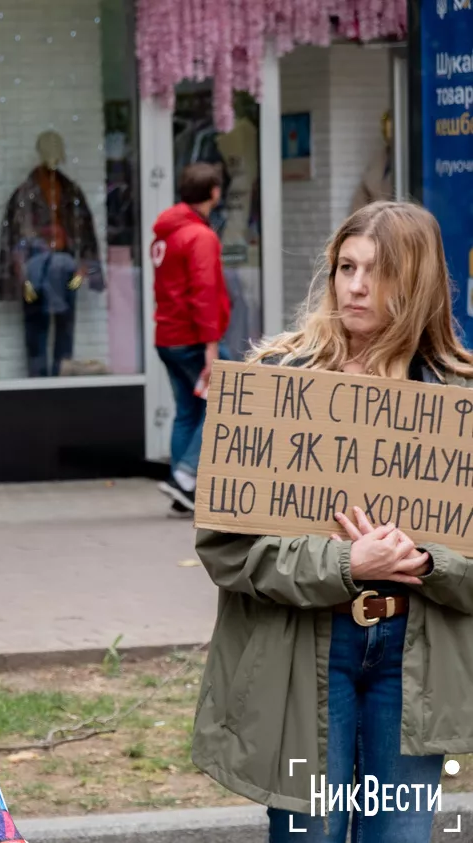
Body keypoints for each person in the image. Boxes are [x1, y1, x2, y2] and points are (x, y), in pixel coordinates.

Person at [191, 202, 473, 842]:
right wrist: (347, 565)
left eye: (379, 271)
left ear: (420, 281)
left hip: (411, 663)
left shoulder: (458, 399)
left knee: (398, 836)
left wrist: (427, 562)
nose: (355, 286)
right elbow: (227, 551)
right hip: (306, 659)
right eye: (346, 266)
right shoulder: (275, 383)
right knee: (309, 835)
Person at [152, 162, 230, 513]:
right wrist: (211, 345)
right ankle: (184, 478)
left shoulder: (166, 233)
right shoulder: (200, 236)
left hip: (168, 335)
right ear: (213, 192)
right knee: (226, 402)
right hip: (193, 339)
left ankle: (181, 494)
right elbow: (205, 292)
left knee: (188, 411)